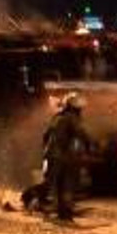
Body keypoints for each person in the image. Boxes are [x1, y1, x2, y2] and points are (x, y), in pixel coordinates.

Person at [43, 93, 92, 221]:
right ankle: (66, 214)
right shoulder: (71, 118)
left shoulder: (57, 117)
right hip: (64, 157)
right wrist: (89, 146)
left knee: (57, 184)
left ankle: (59, 212)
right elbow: (81, 133)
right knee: (67, 185)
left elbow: (46, 135)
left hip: (51, 156)